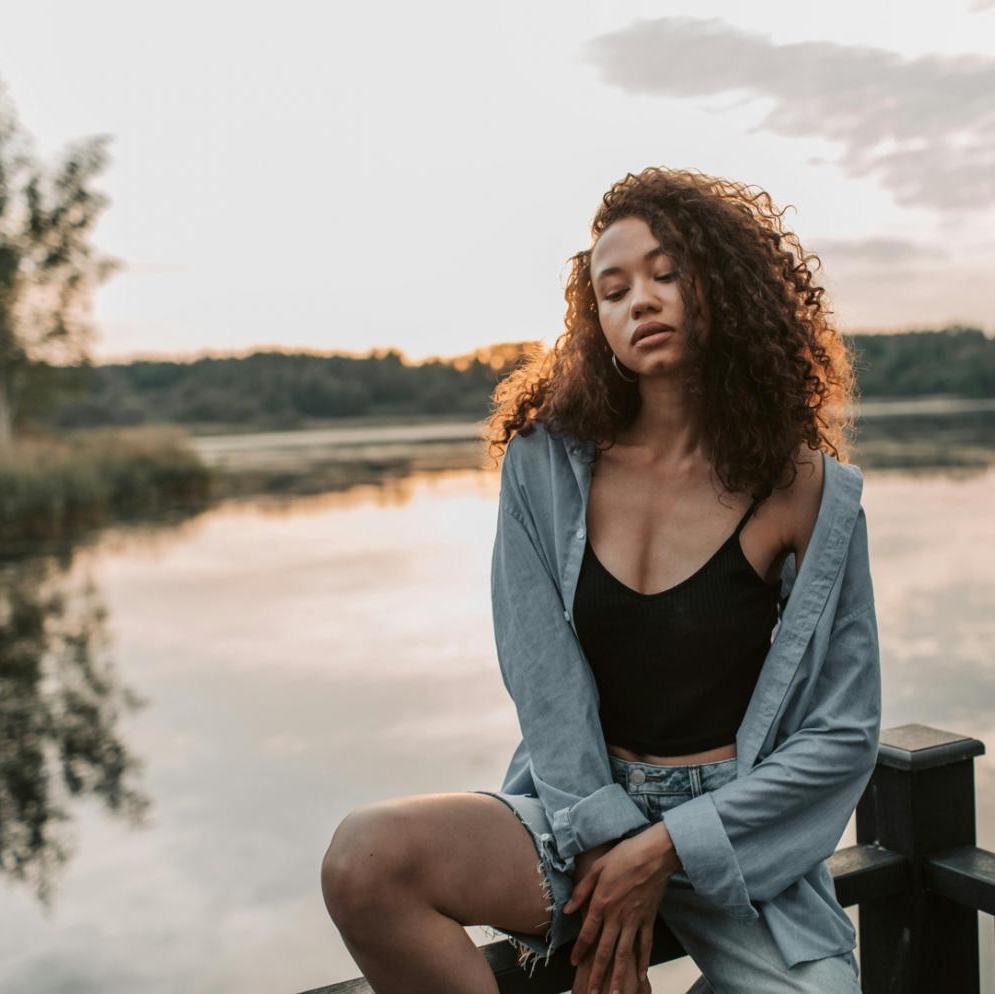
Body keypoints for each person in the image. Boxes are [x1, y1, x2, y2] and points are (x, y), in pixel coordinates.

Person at [320, 167, 882, 994]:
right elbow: (541, 676)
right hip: (577, 803)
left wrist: (668, 846)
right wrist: (610, 839)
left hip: (730, 822)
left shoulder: (810, 492)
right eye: (612, 291)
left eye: (667, 273)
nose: (640, 302)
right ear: (596, 324)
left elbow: (842, 732)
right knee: (367, 859)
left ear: (729, 284)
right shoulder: (544, 464)